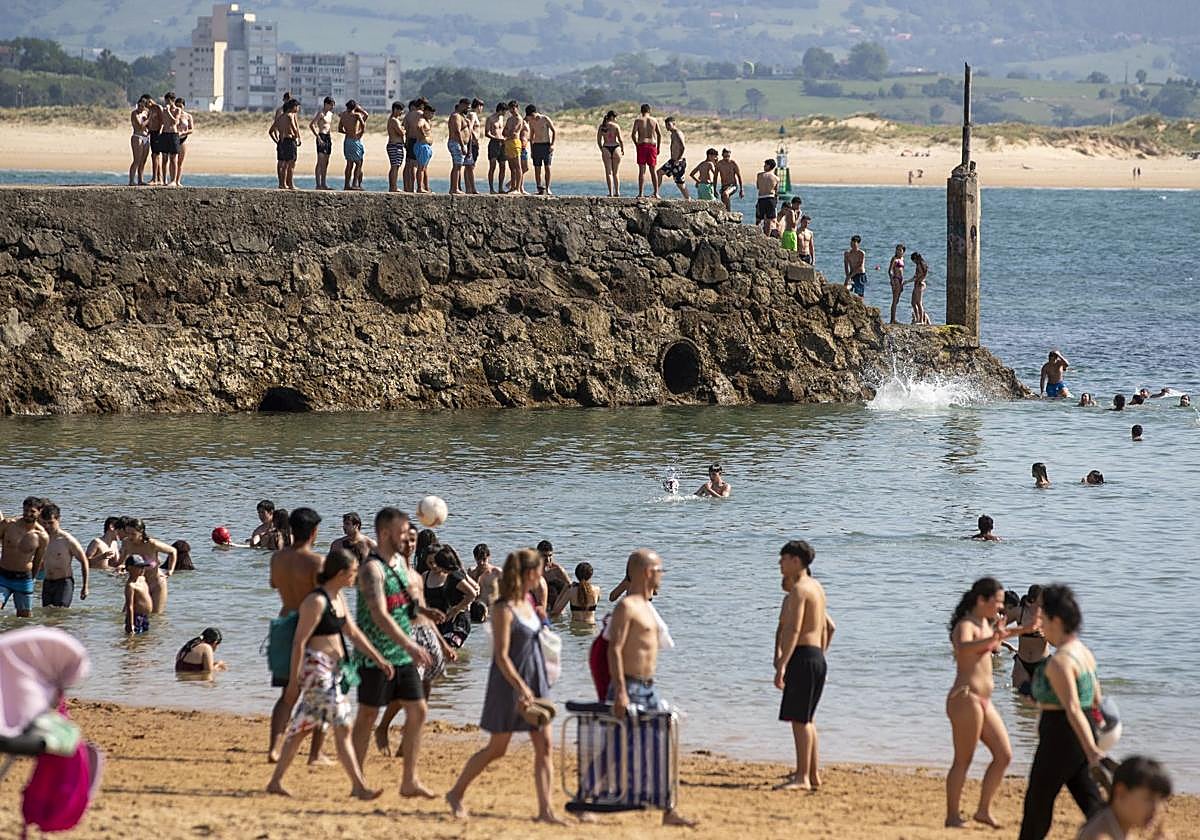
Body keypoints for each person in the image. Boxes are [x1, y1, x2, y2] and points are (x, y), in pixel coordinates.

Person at [446, 548, 562, 824]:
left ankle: (546, 811)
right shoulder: (503, 608)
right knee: (498, 748)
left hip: (536, 679)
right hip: (510, 682)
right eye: (537, 572)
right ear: (528, 573)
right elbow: (501, 655)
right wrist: (521, 687)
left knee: (544, 746)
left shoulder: (529, 602)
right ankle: (456, 792)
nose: (541, 576)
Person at [267, 547, 392, 800]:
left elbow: (353, 633)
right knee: (343, 726)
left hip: (333, 672)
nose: (356, 576)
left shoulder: (337, 598)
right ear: (342, 572)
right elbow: (299, 642)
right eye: (354, 571)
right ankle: (358, 786)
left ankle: (276, 781)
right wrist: (293, 682)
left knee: (302, 729)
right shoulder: (316, 601)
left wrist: (379, 659)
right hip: (317, 670)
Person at [607, 548, 695, 826]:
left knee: (660, 742)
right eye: (659, 570)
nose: (662, 576)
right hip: (629, 687)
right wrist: (620, 690)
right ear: (647, 573)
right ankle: (588, 796)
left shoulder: (647, 606)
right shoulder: (627, 606)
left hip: (647, 687)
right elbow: (613, 650)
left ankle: (667, 809)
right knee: (615, 750)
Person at [351, 507, 435, 795]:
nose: (406, 538)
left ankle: (409, 781)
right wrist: (410, 644)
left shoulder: (399, 563)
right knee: (367, 715)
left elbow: (402, 605)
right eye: (401, 533)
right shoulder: (371, 569)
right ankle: (358, 782)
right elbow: (378, 613)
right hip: (375, 654)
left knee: (418, 710)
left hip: (401, 653)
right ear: (385, 533)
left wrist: (425, 612)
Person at [1018, 584, 1107, 840]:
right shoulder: (1083, 653)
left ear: (1056, 620)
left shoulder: (1061, 661)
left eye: (1043, 619)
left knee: (1037, 804)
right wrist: (1092, 742)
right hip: (1083, 730)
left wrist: (1092, 753)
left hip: (1061, 735)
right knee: (1091, 803)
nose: (1040, 625)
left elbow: (1072, 708)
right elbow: (1095, 699)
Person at [945, 577, 1024, 828]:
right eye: (998, 602)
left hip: (983, 700)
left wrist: (1025, 628)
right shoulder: (966, 624)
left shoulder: (986, 625)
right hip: (965, 697)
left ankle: (982, 811)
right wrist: (994, 636)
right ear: (981, 600)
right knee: (963, 760)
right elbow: (963, 646)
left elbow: (995, 641)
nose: (1001, 607)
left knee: (1003, 755)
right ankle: (952, 816)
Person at [773, 540, 835, 791]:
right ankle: (812, 775)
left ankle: (802, 778)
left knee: (800, 721)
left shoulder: (799, 590)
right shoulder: (816, 587)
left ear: (796, 561)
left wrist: (781, 665)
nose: (780, 564)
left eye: (783, 559)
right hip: (816, 656)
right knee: (807, 719)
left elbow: (793, 629)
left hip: (802, 655)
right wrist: (821, 655)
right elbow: (830, 626)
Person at [268, 507, 325, 763]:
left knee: (287, 694)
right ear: (314, 532)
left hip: (283, 620)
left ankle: (274, 748)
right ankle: (316, 752)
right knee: (320, 693)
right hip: (310, 627)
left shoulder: (277, 558)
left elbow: (273, 584)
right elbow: (325, 594)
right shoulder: (316, 561)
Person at [1078, 756, 1172, 840]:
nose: (1156, 808)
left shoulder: (1116, 825)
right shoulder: (1100, 836)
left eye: (1162, 800)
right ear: (1121, 792)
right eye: (1149, 798)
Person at [0, 497, 49, 617]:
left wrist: (31, 580)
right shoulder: (8, 525)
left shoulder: (42, 536)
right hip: (3, 575)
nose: (28, 514)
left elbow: (38, 560)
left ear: (40, 511)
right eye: (25, 510)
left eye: (32, 511)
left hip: (24, 578)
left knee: (24, 618)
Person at [423, 545, 478, 648]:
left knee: (450, 645)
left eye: (437, 563)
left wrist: (456, 609)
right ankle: (461, 663)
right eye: (430, 563)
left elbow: (472, 593)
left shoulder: (454, 575)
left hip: (459, 621)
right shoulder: (427, 576)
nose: (435, 566)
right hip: (448, 620)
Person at [37, 503, 89, 608]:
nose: (47, 526)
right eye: (44, 523)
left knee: (60, 612)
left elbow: (84, 561)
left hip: (64, 583)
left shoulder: (67, 540)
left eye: (51, 523)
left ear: (58, 519)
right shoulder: (42, 538)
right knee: (47, 614)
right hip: (47, 582)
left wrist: (85, 586)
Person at [120, 518, 177, 613]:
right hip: (138, 584)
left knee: (156, 616)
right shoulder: (126, 543)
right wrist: (120, 566)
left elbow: (173, 551)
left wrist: (170, 570)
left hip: (156, 583)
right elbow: (121, 561)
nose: (130, 537)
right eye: (127, 533)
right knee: (126, 613)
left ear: (141, 532)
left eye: (133, 534)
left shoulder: (152, 544)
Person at [1007, 585, 1047, 696]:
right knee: (1019, 700)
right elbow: (998, 627)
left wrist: (1047, 635)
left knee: (1040, 700)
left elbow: (1058, 641)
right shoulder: (1019, 612)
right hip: (1021, 663)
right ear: (1033, 599)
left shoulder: (1047, 615)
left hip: (1041, 663)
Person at [268, 99, 301, 191]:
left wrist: (276, 141)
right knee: (291, 164)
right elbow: (294, 129)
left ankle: (282, 184)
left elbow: (271, 131)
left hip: (281, 141)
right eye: (297, 106)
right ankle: (290, 184)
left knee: (283, 163)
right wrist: (296, 137)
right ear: (292, 107)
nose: (298, 108)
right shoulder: (290, 116)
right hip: (289, 141)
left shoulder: (280, 117)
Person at [631, 104, 662, 198]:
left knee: (642, 170)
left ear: (641, 111)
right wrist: (658, 147)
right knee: (653, 170)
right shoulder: (654, 120)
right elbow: (659, 134)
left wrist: (637, 144)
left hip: (642, 145)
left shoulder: (638, 120)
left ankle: (641, 193)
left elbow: (633, 134)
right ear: (649, 111)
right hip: (652, 145)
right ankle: (656, 193)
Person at [338, 100, 369, 191]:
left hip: (347, 140)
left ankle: (346, 185)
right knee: (359, 163)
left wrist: (347, 132)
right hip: (355, 141)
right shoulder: (357, 115)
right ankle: (355, 184)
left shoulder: (343, 115)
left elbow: (340, 129)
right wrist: (359, 133)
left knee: (349, 163)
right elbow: (363, 125)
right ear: (354, 107)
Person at [526, 104, 556, 195]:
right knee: (537, 168)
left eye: (531, 116)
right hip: (536, 146)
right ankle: (539, 187)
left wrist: (552, 144)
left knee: (547, 167)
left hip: (546, 145)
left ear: (534, 113)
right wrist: (531, 150)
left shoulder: (545, 119)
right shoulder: (531, 122)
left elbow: (554, 131)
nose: (531, 118)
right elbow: (531, 136)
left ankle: (547, 188)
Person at [468, 543, 501, 622]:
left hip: (492, 611)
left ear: (488, 557)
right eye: (478, 559)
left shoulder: (496, 572)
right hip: (477, 611)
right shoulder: (471, 572)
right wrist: (477, 576)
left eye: (484, 559)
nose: (481, 562)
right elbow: (470, 593)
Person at [657, 116, 689, 199]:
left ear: (674, 124)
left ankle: (688, 199)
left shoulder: (678, 133)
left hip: (679, 161)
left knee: (680, 184)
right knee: (659, 172)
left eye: (669, 124)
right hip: (672, 161)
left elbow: (683, 147)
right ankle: (655, 193)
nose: (667, 126)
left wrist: (678, 159)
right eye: (666, 125)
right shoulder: (672, 134)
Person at [310, 97, 336, 190]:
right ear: (326, 104)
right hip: (321, 136)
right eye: (331, 105)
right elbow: (312, 124)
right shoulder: (320, 113)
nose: (332, 107)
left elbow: (329, 126)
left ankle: (324, 183)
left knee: (326, 162)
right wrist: (318, 137)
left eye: (333, 105)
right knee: (320, 162)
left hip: (328, 138)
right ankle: (318, 184)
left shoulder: (330, 114)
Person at [537, 540, 570, 613]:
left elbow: (570, 587)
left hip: (556, 610)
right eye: (544, 556)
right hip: (540, 609)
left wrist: (560, 602)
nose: (548, 559)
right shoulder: (534, 572)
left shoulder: (558, 570)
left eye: (550, 555)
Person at [596, 110, 624, 197]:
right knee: (616, 173)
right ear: (612, 117)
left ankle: (611, 193)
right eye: (615, 117)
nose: (616, 119)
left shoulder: (602, 126)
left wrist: (602, 149)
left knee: (609, 172)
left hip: (606, 147)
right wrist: (623, 149)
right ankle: (617, 192)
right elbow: (620, 140)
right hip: (616, 148)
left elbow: (599, 140)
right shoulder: (616, 126)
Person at [501, 101, 526, 195]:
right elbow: (504, 132)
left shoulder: (519, 119)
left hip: (515, 142)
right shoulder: (509, 119)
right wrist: (508, 133)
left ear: (517, 107)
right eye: (510, 108)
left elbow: (514, 132)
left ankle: (518, 188)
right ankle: (512, 187)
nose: (511, 110)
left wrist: (508, 133)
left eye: (513, 108)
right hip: (508, 143)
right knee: (511, 167)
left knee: (517, 166)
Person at [448, 99, 472, 195]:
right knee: (457, 166)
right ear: (462, 105)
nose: (468, 109)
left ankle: (456, 187)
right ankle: (454, 188)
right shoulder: (456, 116)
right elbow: (457, 131)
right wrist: (462, 146)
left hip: (461, 144)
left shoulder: (462, 116)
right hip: (456, 143)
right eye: (467, 107)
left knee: (458, 166)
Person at [123, 557, 153, 634]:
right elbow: (130, 606)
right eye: (139, 567)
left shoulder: (142, 579)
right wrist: (130, 625)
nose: (142, 569)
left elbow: (154, 564)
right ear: (130, 568)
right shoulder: (131, 586)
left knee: (144, 638)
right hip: (136, 617)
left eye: (143, 567)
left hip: (145, 616)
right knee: (134, 637)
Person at [412, 101, 435, 194]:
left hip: (426, 146)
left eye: (433, 113)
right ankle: (419, 188)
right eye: (430, 113)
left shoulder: (427, 121)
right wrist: (424, 135)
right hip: (422, 146)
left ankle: (424, 187)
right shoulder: (422, 120)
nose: (432, 115)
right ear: (425, 112)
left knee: (424, 168)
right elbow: (418, 126)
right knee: (421, 168)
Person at [486, 102, 509, 194]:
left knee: (503, 166)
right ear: (500, 110)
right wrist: (497, 138)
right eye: (504, 111)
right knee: (492, 166)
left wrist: (505, 137)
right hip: (494, 143)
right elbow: (487, 133)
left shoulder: (502, 118)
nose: (505, 113)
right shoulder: (490, 118)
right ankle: (491, 189)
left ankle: (500, 188)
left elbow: (502, 131)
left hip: (502, 144)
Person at [129, 96, 150, 186]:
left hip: (146, 137)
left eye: (142, 106)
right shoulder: (134, 113)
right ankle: (131, 180)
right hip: (137, 136)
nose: (140, 108)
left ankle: (140, 179)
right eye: (139, 106)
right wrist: (149, 119)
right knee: (137, 159)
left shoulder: (146, 113)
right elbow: (140, 125)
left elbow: (149, 126)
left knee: (143, 160)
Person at [386, 101, 406, 194]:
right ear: (395, 110)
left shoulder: (394, 120)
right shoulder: (394, 120)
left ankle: (393, 186)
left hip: (396, 145)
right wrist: (403, 130)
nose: (401, 112)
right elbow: (400, 132)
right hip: (394, 145)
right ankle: (393, 187)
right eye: (400, 110)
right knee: (395, 166)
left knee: (396, 166)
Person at [755, 159, 779, 234]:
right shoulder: (776, 178)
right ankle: (767, 236)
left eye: (765, 165)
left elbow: (758, 187)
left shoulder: (759, 175)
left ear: (769, 166)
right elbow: (776, 191)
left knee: (758, 218)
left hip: (761, 198)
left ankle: (756, 233)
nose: (764, 166)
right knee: (769, 220)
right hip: (771, 198)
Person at [465, 98, 484, 194]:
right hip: (472, 143)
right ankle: (472, 188)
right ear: (479, 106)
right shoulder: (472, 115)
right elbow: (470, 127)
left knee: (468, 166)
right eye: (481, 107)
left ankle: (468, 188)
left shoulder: (473, 115)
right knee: (470, 166)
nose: (482, 109)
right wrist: (474, 138)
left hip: (473, 142)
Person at [174, 99, 193, 185]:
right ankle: (172, 180)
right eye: (177, 106)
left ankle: (178, 181)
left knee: (180, 162)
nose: (179, 108)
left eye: (180, 106)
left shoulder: (188, 116)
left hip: (183, 138)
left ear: (184, 106)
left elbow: (191, 129)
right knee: (172, 160)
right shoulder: (173, 114)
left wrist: (184, 132)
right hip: (174, 138)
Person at [888, 244, 907, 325]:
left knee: (897, 300)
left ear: (903, 252)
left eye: (900, 250)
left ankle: (894, 318)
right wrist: (892, 280)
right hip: (895, 279)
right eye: (897, 250)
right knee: (895, 300)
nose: (898, 251)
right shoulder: (894, 259)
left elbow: (902, 270)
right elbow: (890, 271)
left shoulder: (902, 259)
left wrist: (902, 281)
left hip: (900, 280)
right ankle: (892, 320)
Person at [910, 252, 930, 324]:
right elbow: (916, 276)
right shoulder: (918, 264)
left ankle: (921, 320)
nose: (913, 262)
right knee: (913, 302)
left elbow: (923, 273)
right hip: (916, 284)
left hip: (920, 284)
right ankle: (917, 318)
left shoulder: (921, 264)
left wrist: (921, 280)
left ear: (916, 259)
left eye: (913, 260)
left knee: (918, 303)